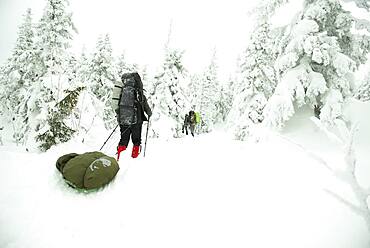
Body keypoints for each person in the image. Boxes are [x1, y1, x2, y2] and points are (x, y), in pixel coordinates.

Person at [112, 72, 152, 160]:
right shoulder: (138, 91)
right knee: (136, 139)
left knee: (124, 138)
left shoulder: (122, 90)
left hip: (123, 119)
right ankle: (135, 157)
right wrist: (149, 113)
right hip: (137, 120)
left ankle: (119, 156)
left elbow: (117, 104)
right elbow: (144, 103)